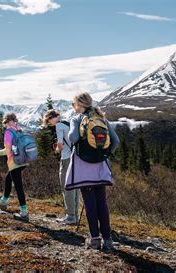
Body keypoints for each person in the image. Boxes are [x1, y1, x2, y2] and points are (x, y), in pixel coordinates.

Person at [66, 92, 119, 250]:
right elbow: (116, 141)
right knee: (102, 201)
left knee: (89, 202)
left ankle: (95, 239)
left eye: (74, 104)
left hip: (84, 166)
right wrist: (105, 154)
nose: (73, 107)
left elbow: (73, 138)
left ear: (80, 105)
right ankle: (108, 239)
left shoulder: (76, 118)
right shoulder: (101, 118)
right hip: (100, 165)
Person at [0, 112, 30, 222]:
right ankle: (4, 201)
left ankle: (24, 212)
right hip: (23, 161)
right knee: (8, 179)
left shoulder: (8, 132)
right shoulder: (19, 130)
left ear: (6, 121)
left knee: (18, 186)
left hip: (14, 162)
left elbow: (7, 150)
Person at [43, 109, 79, 225]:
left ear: (51, 118)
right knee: (75, 186)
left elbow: (60, 145)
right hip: (76, 158)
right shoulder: (67, 123)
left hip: (66, 159)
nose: (50, 124)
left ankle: (70, 216)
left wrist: (57, 150)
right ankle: (75, 216)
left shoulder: (58, 126)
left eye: (49, 122)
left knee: (66, 185)